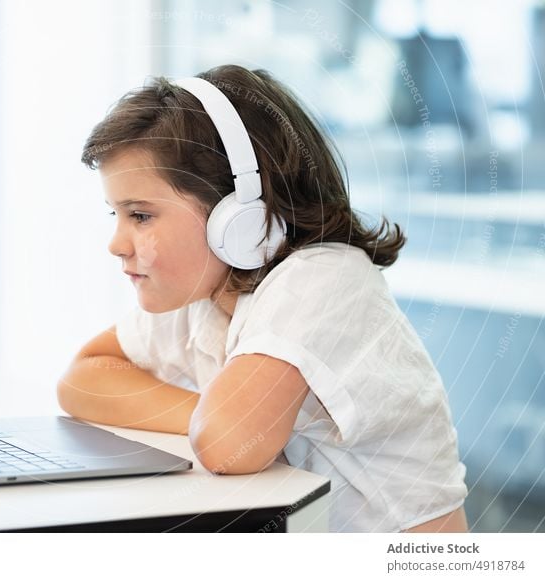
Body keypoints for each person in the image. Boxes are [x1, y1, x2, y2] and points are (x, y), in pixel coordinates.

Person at [57, 64, 468, 533]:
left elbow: (228, 442)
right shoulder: (203, 296)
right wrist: (202, 414)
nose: (116, 242)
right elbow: (83, 379)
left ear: (238, 216)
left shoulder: (323, 279)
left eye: (141, 215)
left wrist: (213, 420)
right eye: (116, 213)